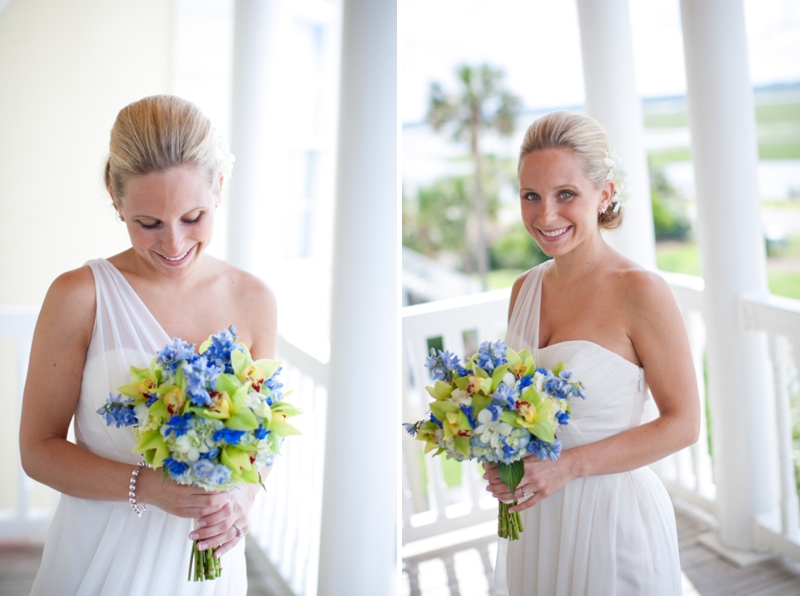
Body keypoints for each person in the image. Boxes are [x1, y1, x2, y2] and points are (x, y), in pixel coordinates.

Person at [19, 95, 277, 595]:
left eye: (194, 216)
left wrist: (243, 499)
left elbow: (260, 441)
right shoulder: (78, 296)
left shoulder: (255, 299)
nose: (175, 244)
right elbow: (38, 450)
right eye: (149, 223)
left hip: (206, 566)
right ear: (117, 203)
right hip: (99, 557)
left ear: (220, 188)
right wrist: (148, 487)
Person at [483, 111, 700, 595]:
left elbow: (683, 423)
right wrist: (499, 459)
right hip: (539, 520)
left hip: (610, 519)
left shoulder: (641, 292)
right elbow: (516, 410)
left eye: (566, 195)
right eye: (530, 196)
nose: (545, 216)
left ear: (603, 195)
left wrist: (567, 467)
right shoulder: (524, 289)